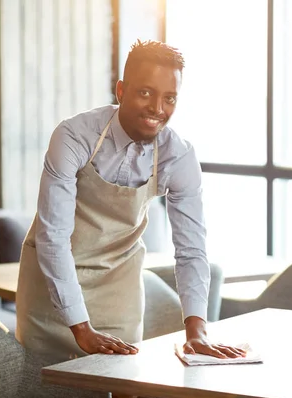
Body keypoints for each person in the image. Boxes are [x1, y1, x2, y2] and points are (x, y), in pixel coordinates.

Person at [15, 39, 245, 370]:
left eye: (170, 98)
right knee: (40, 387)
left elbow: (191, 250)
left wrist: (197, 331)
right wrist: (80, 326)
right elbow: (53, 238)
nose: (157, 108)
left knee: (121, 385)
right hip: (49, 289)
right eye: (145, 93)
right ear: (121, 90)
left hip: (117, 290)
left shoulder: (178, 156)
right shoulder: (74, 136)